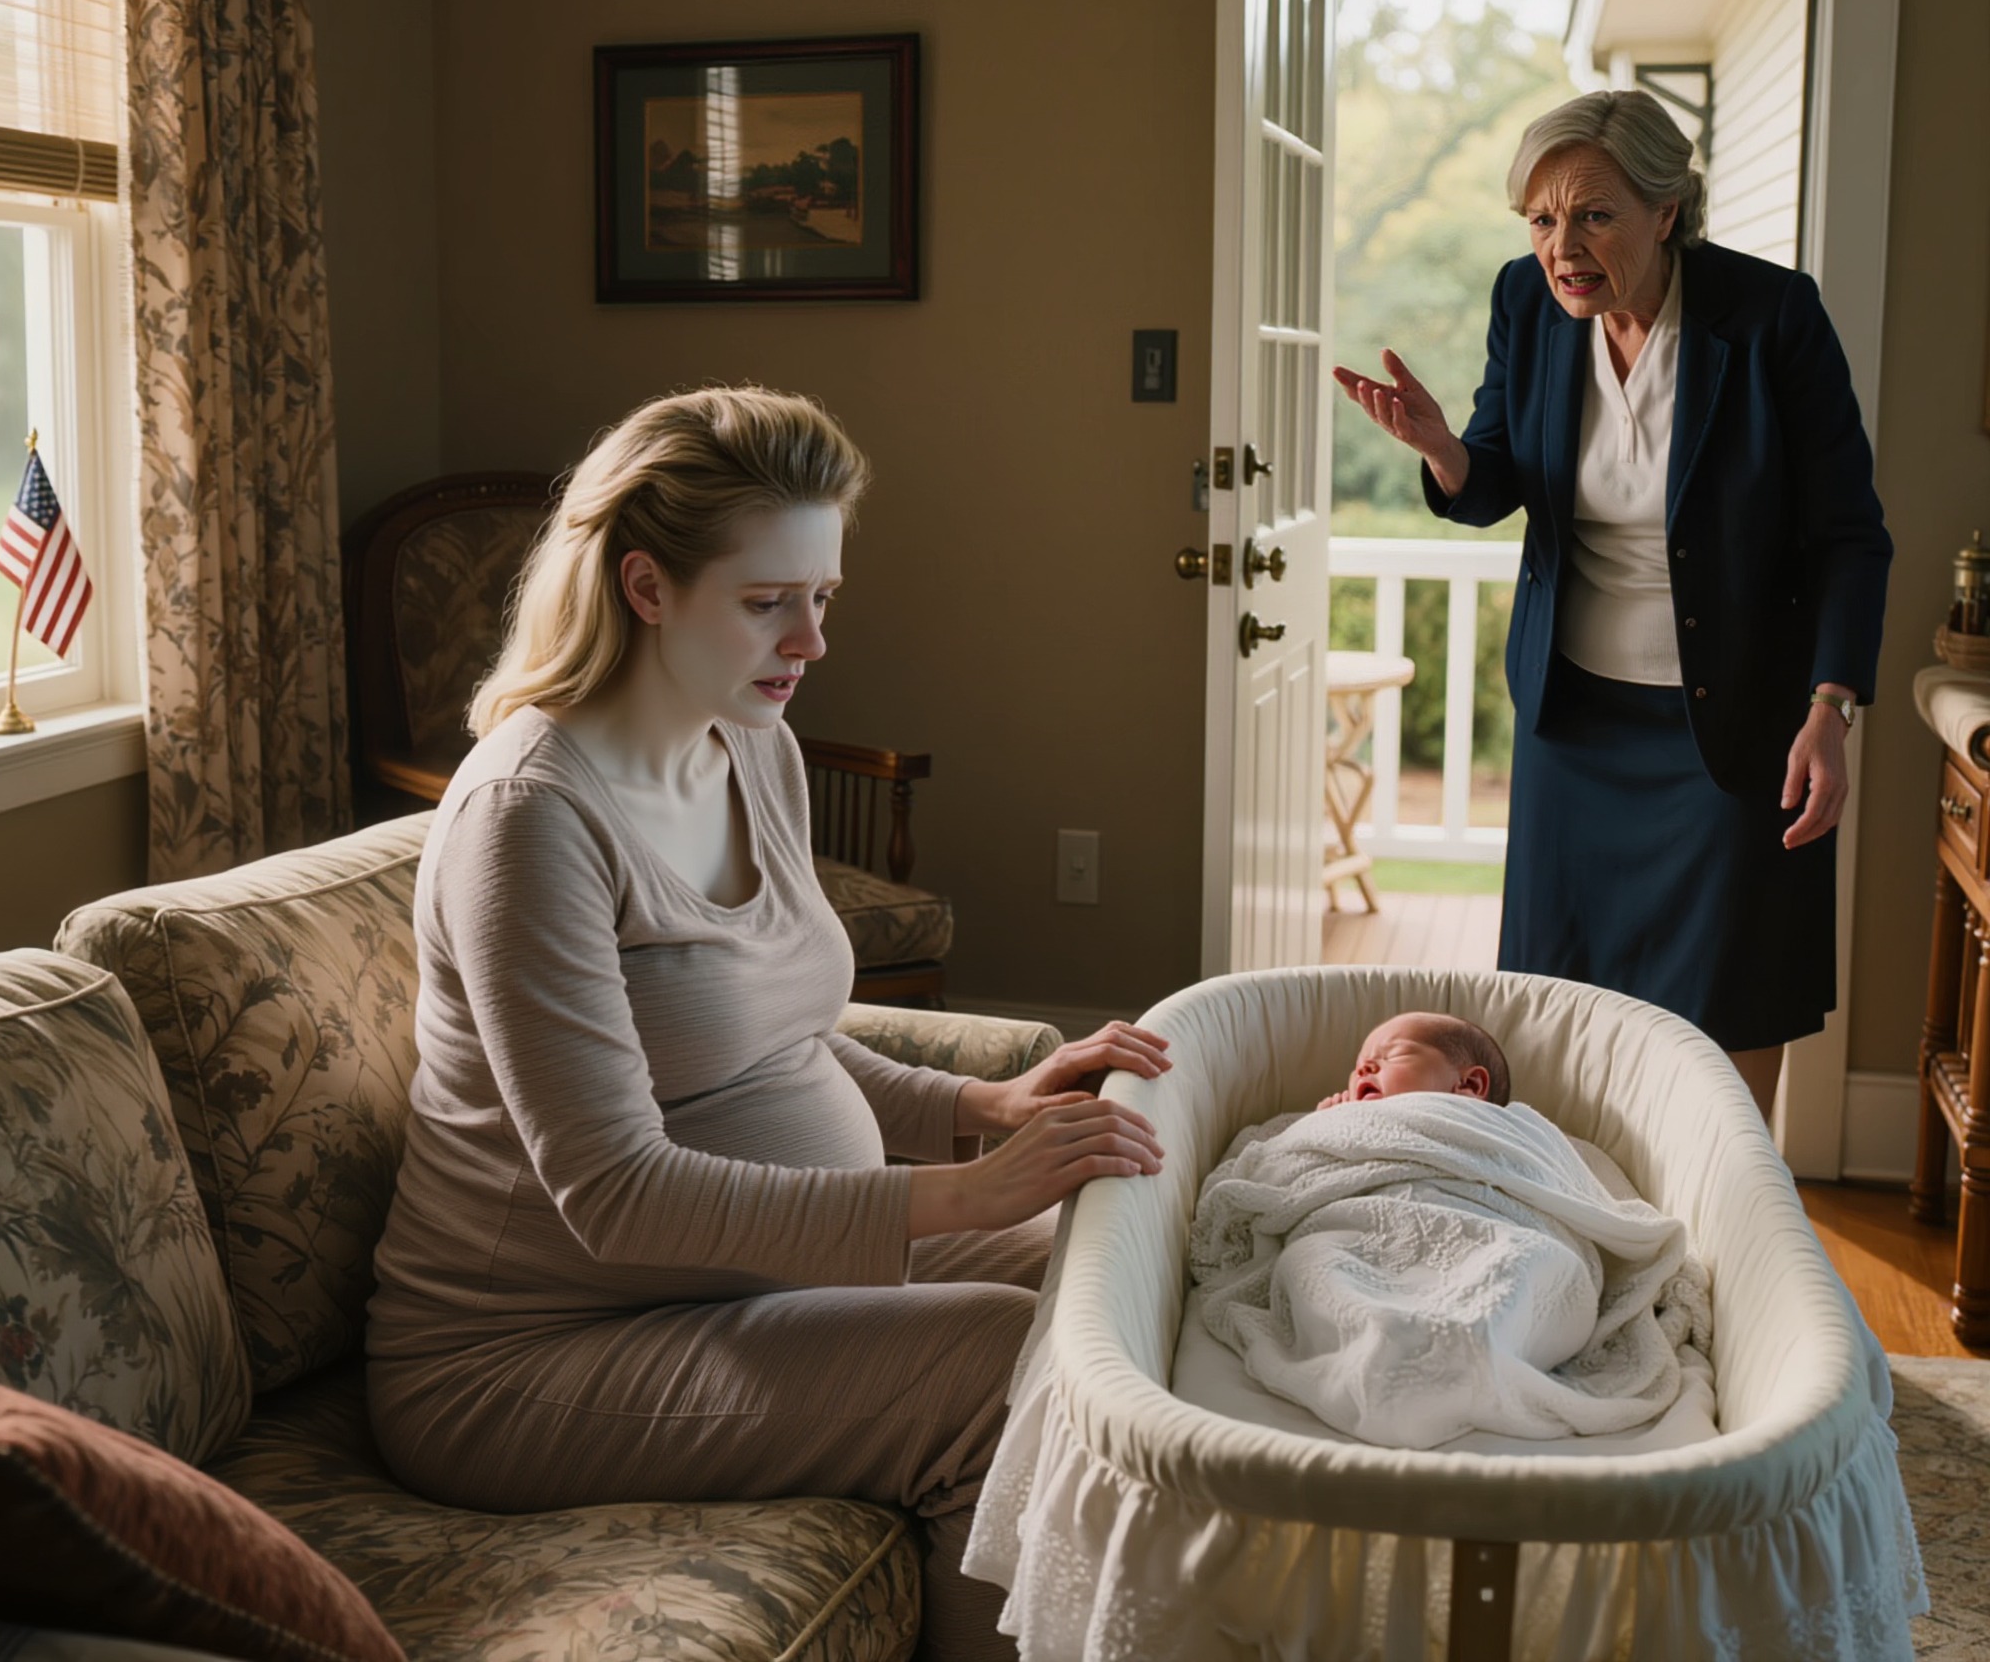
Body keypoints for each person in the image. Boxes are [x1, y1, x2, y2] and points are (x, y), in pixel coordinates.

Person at [364, 385, 1170, 1662]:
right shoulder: (530, 817)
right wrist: (962, 1193)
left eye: (822, 596)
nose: (811, 638)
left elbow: (772, 1036)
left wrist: (980, 1111)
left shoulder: (753, 744)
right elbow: (616, 1194)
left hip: (731, 1285)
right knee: (997, 1359)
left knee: (1116, 1275)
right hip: (525, 1358)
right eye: (766, 601)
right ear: (644, 586)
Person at [1333, 90, 1891, 1116]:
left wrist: (1829, 705)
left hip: (1733, 733)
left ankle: (1718, 1247)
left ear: (1666, 209)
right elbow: (1501, 472)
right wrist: (1444, 452)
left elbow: (1850, 535)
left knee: (1726, 1012)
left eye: (1591, 214)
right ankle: (1565, 1234)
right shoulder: (1524, 303)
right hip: (1574, 726)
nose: (1562, 248)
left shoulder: (1770, 319)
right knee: (1555, 1011)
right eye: (1540, 220)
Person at [1315, 1010, 1512, 1110]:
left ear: (1469, 1084)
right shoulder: (1346, 1122)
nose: (1363, 1069)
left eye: (1394, 1054)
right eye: (1357, 1066)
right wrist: (1324, 1127)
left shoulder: (1489, 1134)